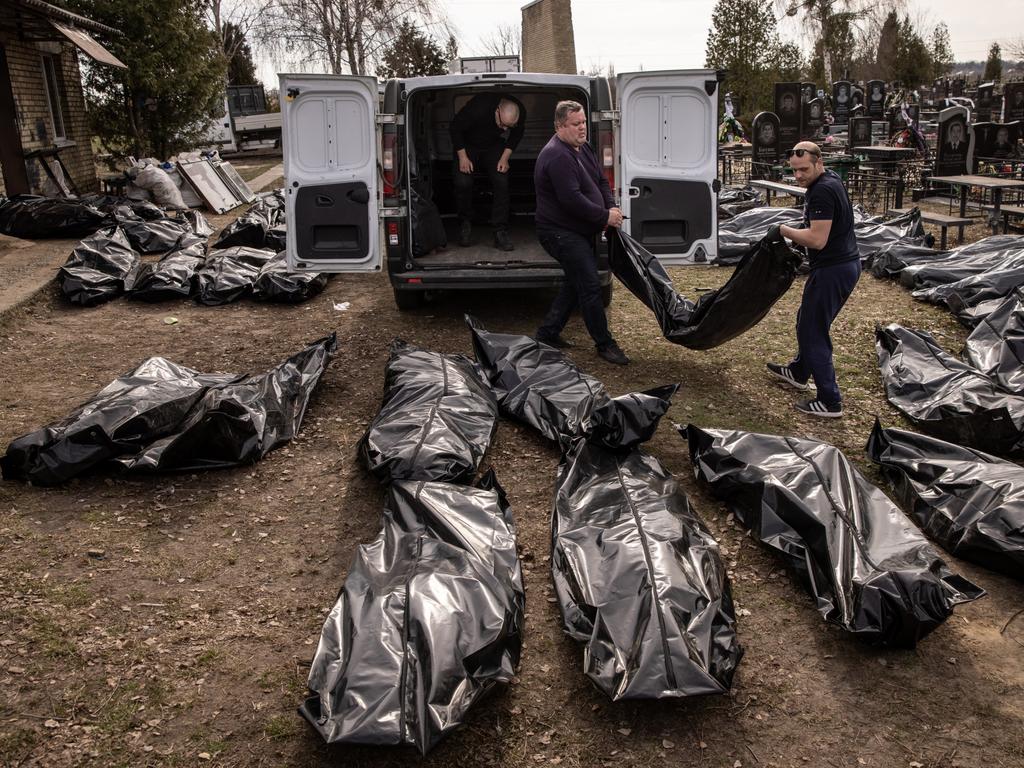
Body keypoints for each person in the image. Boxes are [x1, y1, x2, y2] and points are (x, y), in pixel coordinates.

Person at [765, 141, 860, 418]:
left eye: (804, 169)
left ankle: (830, 400)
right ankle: (798, 371)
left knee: (812, 330)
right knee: (807, 320)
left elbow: (817, 239)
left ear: (819, 162)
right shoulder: (831, 180)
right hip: (844, 265)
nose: (798, 176)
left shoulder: (821, 192)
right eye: (794, 171)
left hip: (833, 269)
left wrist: (782, 229)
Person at [533, 100, 629, 365]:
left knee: (575, 282)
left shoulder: (583, 148)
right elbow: (571, 200)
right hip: (559, 233)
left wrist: (610, 206)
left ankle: (547, 333)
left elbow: (601, 180)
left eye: (584, 122)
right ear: (560, 126)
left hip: (580, 230)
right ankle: (604, 344)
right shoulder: (557, 156)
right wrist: (604, 216)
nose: (583, 128)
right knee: (588, 284)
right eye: (576, 124)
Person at [449, 93, 526, 251]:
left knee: (501, 181)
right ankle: (465, 223)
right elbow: (455, 128)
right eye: (503, 125)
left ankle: (500, 231)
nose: (505, 129)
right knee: (463, 182)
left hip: (493, 145)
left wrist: (505, 158)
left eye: (509, 127)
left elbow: (517, 135)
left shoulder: (519, 111)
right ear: (497, 111)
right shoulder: (478, 108)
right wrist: (462, 157)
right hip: (467, 144)